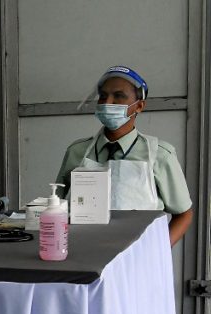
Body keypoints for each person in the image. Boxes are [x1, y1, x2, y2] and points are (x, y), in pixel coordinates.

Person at [56, 66, 192, 246]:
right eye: (103, 96)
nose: (108, 102)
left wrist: (157, 252)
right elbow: (56, 206)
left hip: (136, 256)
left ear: (139, 106)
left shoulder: (159, 154)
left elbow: (184, 214)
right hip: (82, 251)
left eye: (119, 96)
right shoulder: (77, 151)